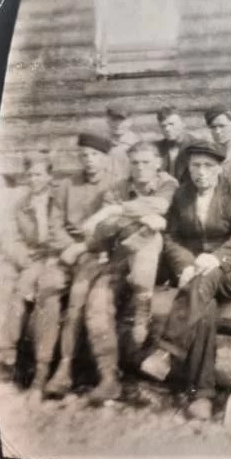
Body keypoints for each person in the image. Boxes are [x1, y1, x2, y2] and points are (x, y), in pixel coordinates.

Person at [139, 140, 231, 421]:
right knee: (205, 311)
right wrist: (184, 265)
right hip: (195, 273)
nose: (201, 172)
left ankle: (167, 351)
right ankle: (202, 396)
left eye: (208, 166)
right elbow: (171, 236)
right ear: (189, 167)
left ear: (219, 168)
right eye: (196, 166)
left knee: (205, 280)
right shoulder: (182, 194)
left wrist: (218, 258)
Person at [78, 141, 178, 403]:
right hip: (121, 258)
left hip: (161, 265)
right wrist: (134, 218)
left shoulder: (168, 183)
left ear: (158, 163)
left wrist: (114, 211)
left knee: (151, 236)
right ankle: (108, 377)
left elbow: (162, 206)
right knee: (97, 301)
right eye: (135, 163)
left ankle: (143, 307)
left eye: (146, 162)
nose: (140, 168)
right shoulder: (118, 188)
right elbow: (102, 230)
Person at [43, 133, 118, 398]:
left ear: (105, 158)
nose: (89, 160)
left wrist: (83, 249)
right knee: (47, 288)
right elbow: (54, 225)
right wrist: (69, 249)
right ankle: (42, 365)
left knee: (81, 302)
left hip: (98, 255)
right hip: (67, 255)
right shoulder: (66, 185)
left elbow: (110, 230)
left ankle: (70, 369)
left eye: (95, 155)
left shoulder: (115, 185)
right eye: (84, 155)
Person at [0, 152, 70, 392]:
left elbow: (68, 232)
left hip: (61, 258)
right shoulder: (21, 205)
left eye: (39, 174)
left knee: (48, 294)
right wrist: (23, 258)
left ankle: (42, 364)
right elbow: (11, 238)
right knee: (21, 290)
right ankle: (7, 353)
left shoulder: (60, 199)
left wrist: (60, 253)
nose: (34, 179)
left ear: (49, 176)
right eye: (30, 175)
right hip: (35, 260)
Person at [154, 105, 197, 181]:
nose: (167, 129)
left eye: (171, 124)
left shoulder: (196, 147)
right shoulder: (156, 148)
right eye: (163, 126)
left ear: (183, 124)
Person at [105, 101, 140, 180]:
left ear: (131, 121)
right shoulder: (101, 142)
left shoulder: (137, 144)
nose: (118, 124)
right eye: (114, 119)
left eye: (122, 120)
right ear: (107, 121)